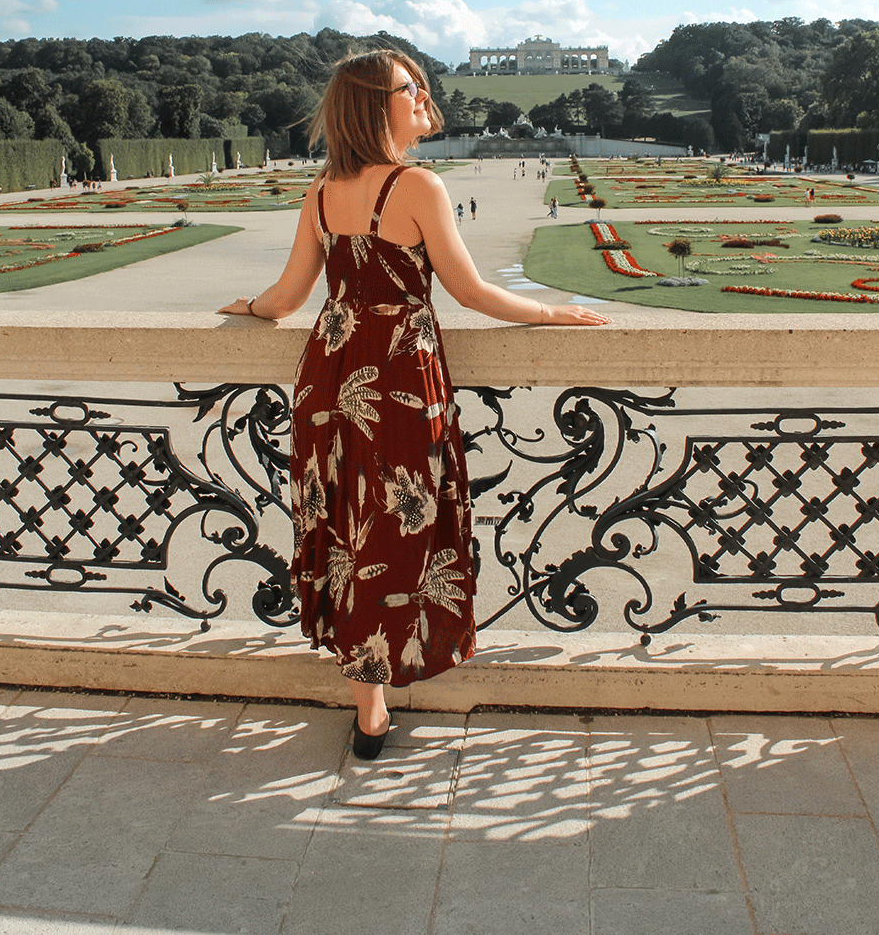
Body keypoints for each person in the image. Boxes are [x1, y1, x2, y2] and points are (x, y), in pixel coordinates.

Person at [219, 50, 609, 760]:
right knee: (400, 526)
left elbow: (284, 301)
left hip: (327, 374)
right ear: (377, 106)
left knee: (343, 525)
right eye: (409, 87)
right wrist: (552, 315)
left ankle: (369, 703)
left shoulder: (320, 191)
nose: (423, 94)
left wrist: (244, 306)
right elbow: (471, 292)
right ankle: (384, 682)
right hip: (398, 373)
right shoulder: (418, 185)